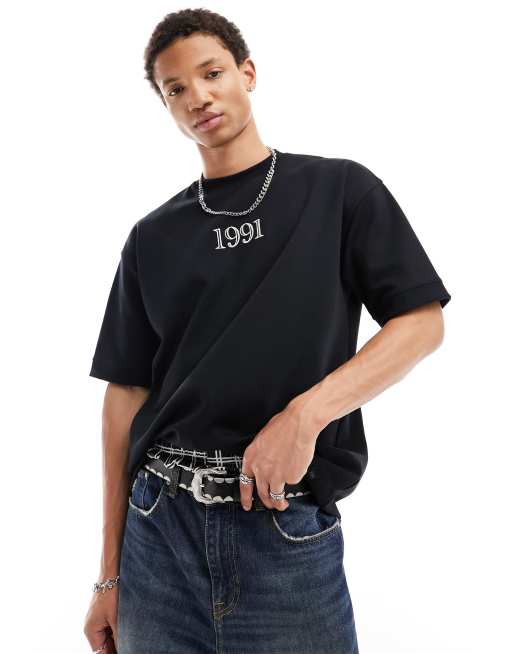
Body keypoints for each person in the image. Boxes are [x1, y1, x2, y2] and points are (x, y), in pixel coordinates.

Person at [83, 8, 452, 654]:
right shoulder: (151, 238)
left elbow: (421, 323)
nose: (197, 97)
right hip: (158, 534)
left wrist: (306, 416)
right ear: (165, 106)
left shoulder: (339, 190)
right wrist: (109, 572)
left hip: (281, 526)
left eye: (211, 73)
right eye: (175, 88)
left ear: (247, 73)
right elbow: (125, 397)